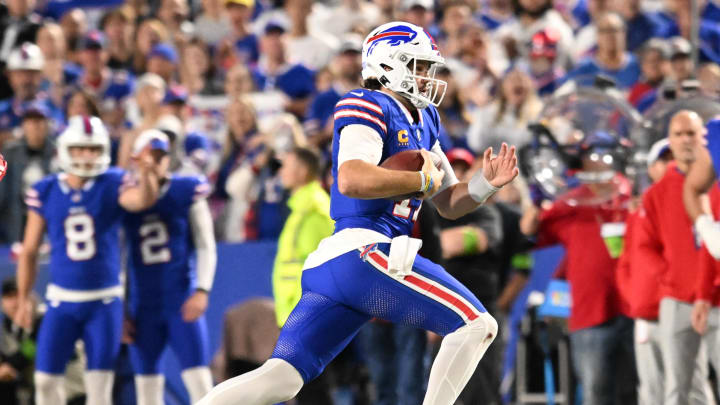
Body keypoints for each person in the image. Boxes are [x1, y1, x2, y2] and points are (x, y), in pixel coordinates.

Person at [198, 21, 519, 405]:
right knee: (476, 323)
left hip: (345, 266)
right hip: (364, 251)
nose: (424, 76)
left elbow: (449, 202)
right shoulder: (368, 103)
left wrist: (486, 184)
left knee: (282, 378)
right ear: (388, 64)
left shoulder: (425, 118)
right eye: (416, 65)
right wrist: (419, 180)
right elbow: (351, 179)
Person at [13, 115, 159, 405]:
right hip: (61, 300)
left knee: (100, 389)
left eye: (93, 149)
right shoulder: (46, 189)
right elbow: (29, 250)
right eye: (80, 148)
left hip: (104, 301)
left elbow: (141, 201)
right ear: (66, 149)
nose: (87, 155)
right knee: (44, 381)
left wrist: (147, 174)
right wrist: (23, 297)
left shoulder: (113, 182)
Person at [628, 113, 720, 405]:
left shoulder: (715, 184)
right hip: (676, 297)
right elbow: (644, 246)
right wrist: (670, 275)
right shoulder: (655, 193)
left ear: (703, 139)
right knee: (677, 387)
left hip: (717, 296)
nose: (685, 140)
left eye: (691, 133)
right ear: (670, 139)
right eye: (678, 134)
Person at [122, 129, 216, 405]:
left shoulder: (185, 190)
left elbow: (205, 243)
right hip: (142, 307)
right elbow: (116, 256)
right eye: (150, 156)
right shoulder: (125, 196)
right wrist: (121, 307)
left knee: (201, 384)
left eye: (160, 156)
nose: (155, 162)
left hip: (181, 299)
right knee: (147, 391)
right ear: (136, 159)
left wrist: (202, 289)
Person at [0, 102, 56, 244]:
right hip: (14, 222)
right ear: (24, 125)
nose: (35, 125)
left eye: (40, 120)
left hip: (49, 221)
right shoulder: (9, 152)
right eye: (31, 120)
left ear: (48, 124)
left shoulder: (59, 152)